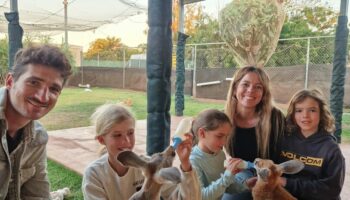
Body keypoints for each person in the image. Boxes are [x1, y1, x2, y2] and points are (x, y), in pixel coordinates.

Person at [82, 103, 201, 200]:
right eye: (117, 135)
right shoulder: (94, 174)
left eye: (130, 133)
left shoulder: (149, 166)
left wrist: (185, 163)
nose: (126, 141)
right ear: (102, 139)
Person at [0, 45, 72, 199]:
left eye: (53, 89)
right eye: (34, 82)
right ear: (10, 81)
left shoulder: (38, 138)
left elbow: (37, 194)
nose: (43, 97)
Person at [223, 66, 285, 200]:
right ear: (235, 88)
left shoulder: (275, 117)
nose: (251, 90)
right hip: (239, 172)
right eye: (245, 84)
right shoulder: (224, 118)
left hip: (269, 174)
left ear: (264, 93)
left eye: (258, 87)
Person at [277, 89, 345, 200]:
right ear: (293, 114)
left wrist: (287, 183)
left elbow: (331, 189)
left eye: (312, 110)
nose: (305, 115)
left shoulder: (330, 148)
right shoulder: (284, 140)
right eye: (299, 110)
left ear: (322, 113)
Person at [189, 109, 250, 200]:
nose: (224, 142)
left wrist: (246, 185)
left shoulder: (220, 154)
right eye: (219, 136)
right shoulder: (192, 161)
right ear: (202, 133)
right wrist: (227, 176)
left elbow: (226, 187)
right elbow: (201, 196)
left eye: (226, 136)